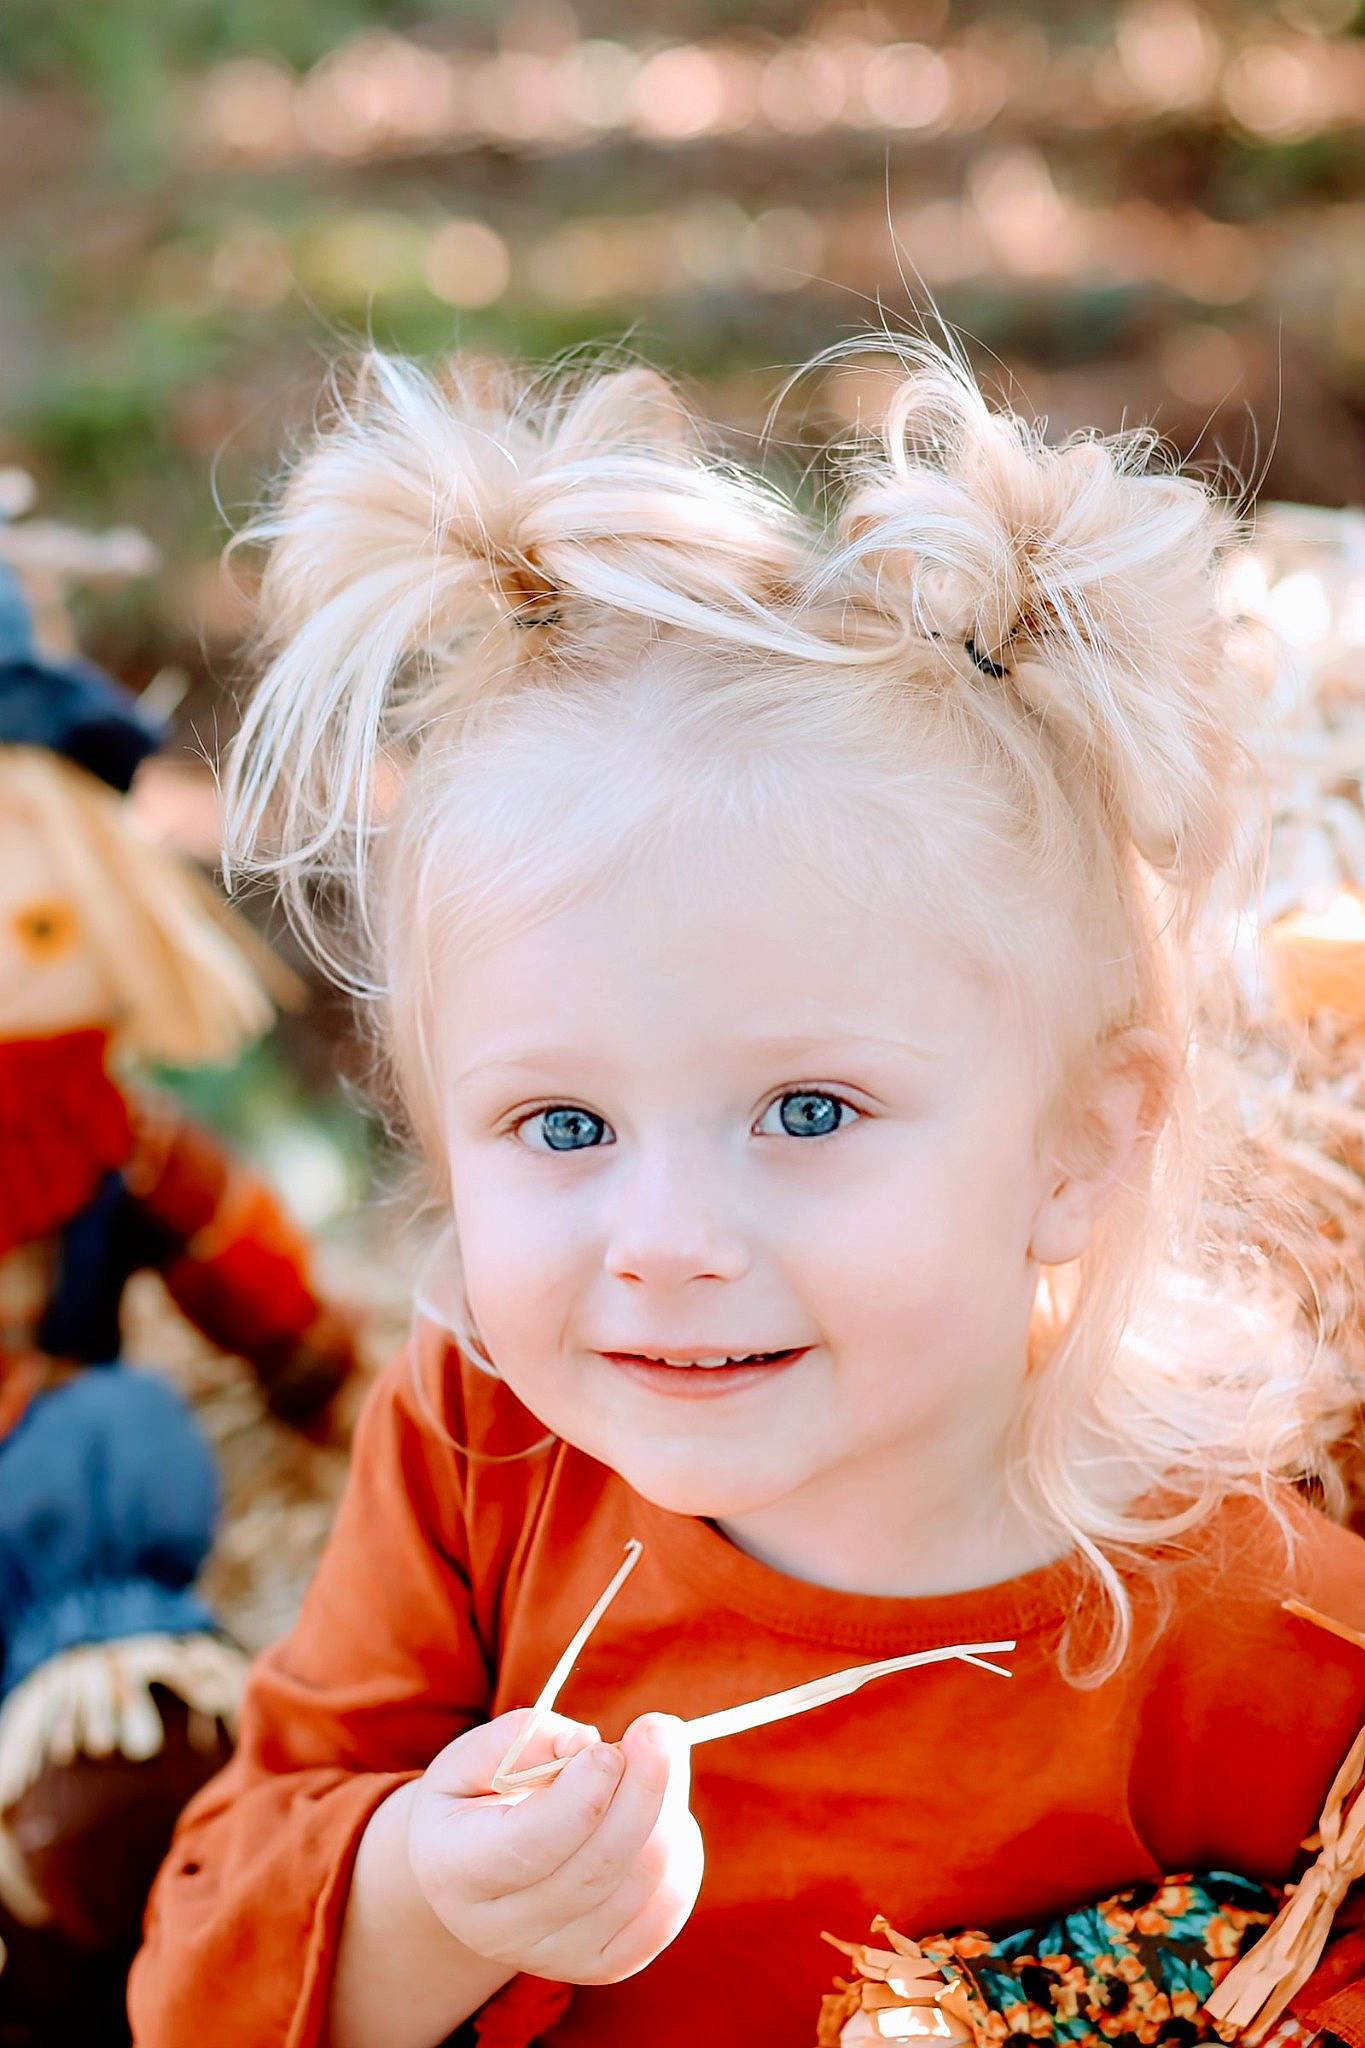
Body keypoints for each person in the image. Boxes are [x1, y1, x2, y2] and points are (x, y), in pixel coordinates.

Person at [129, 342, 1365, 2048]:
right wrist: (424, 1897)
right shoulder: (484, 1453)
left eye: (804, 1110)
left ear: (1077, 1145)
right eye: (560, 1127)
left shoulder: (1252, 1637)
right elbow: (200, 1968)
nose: (665, 1245)